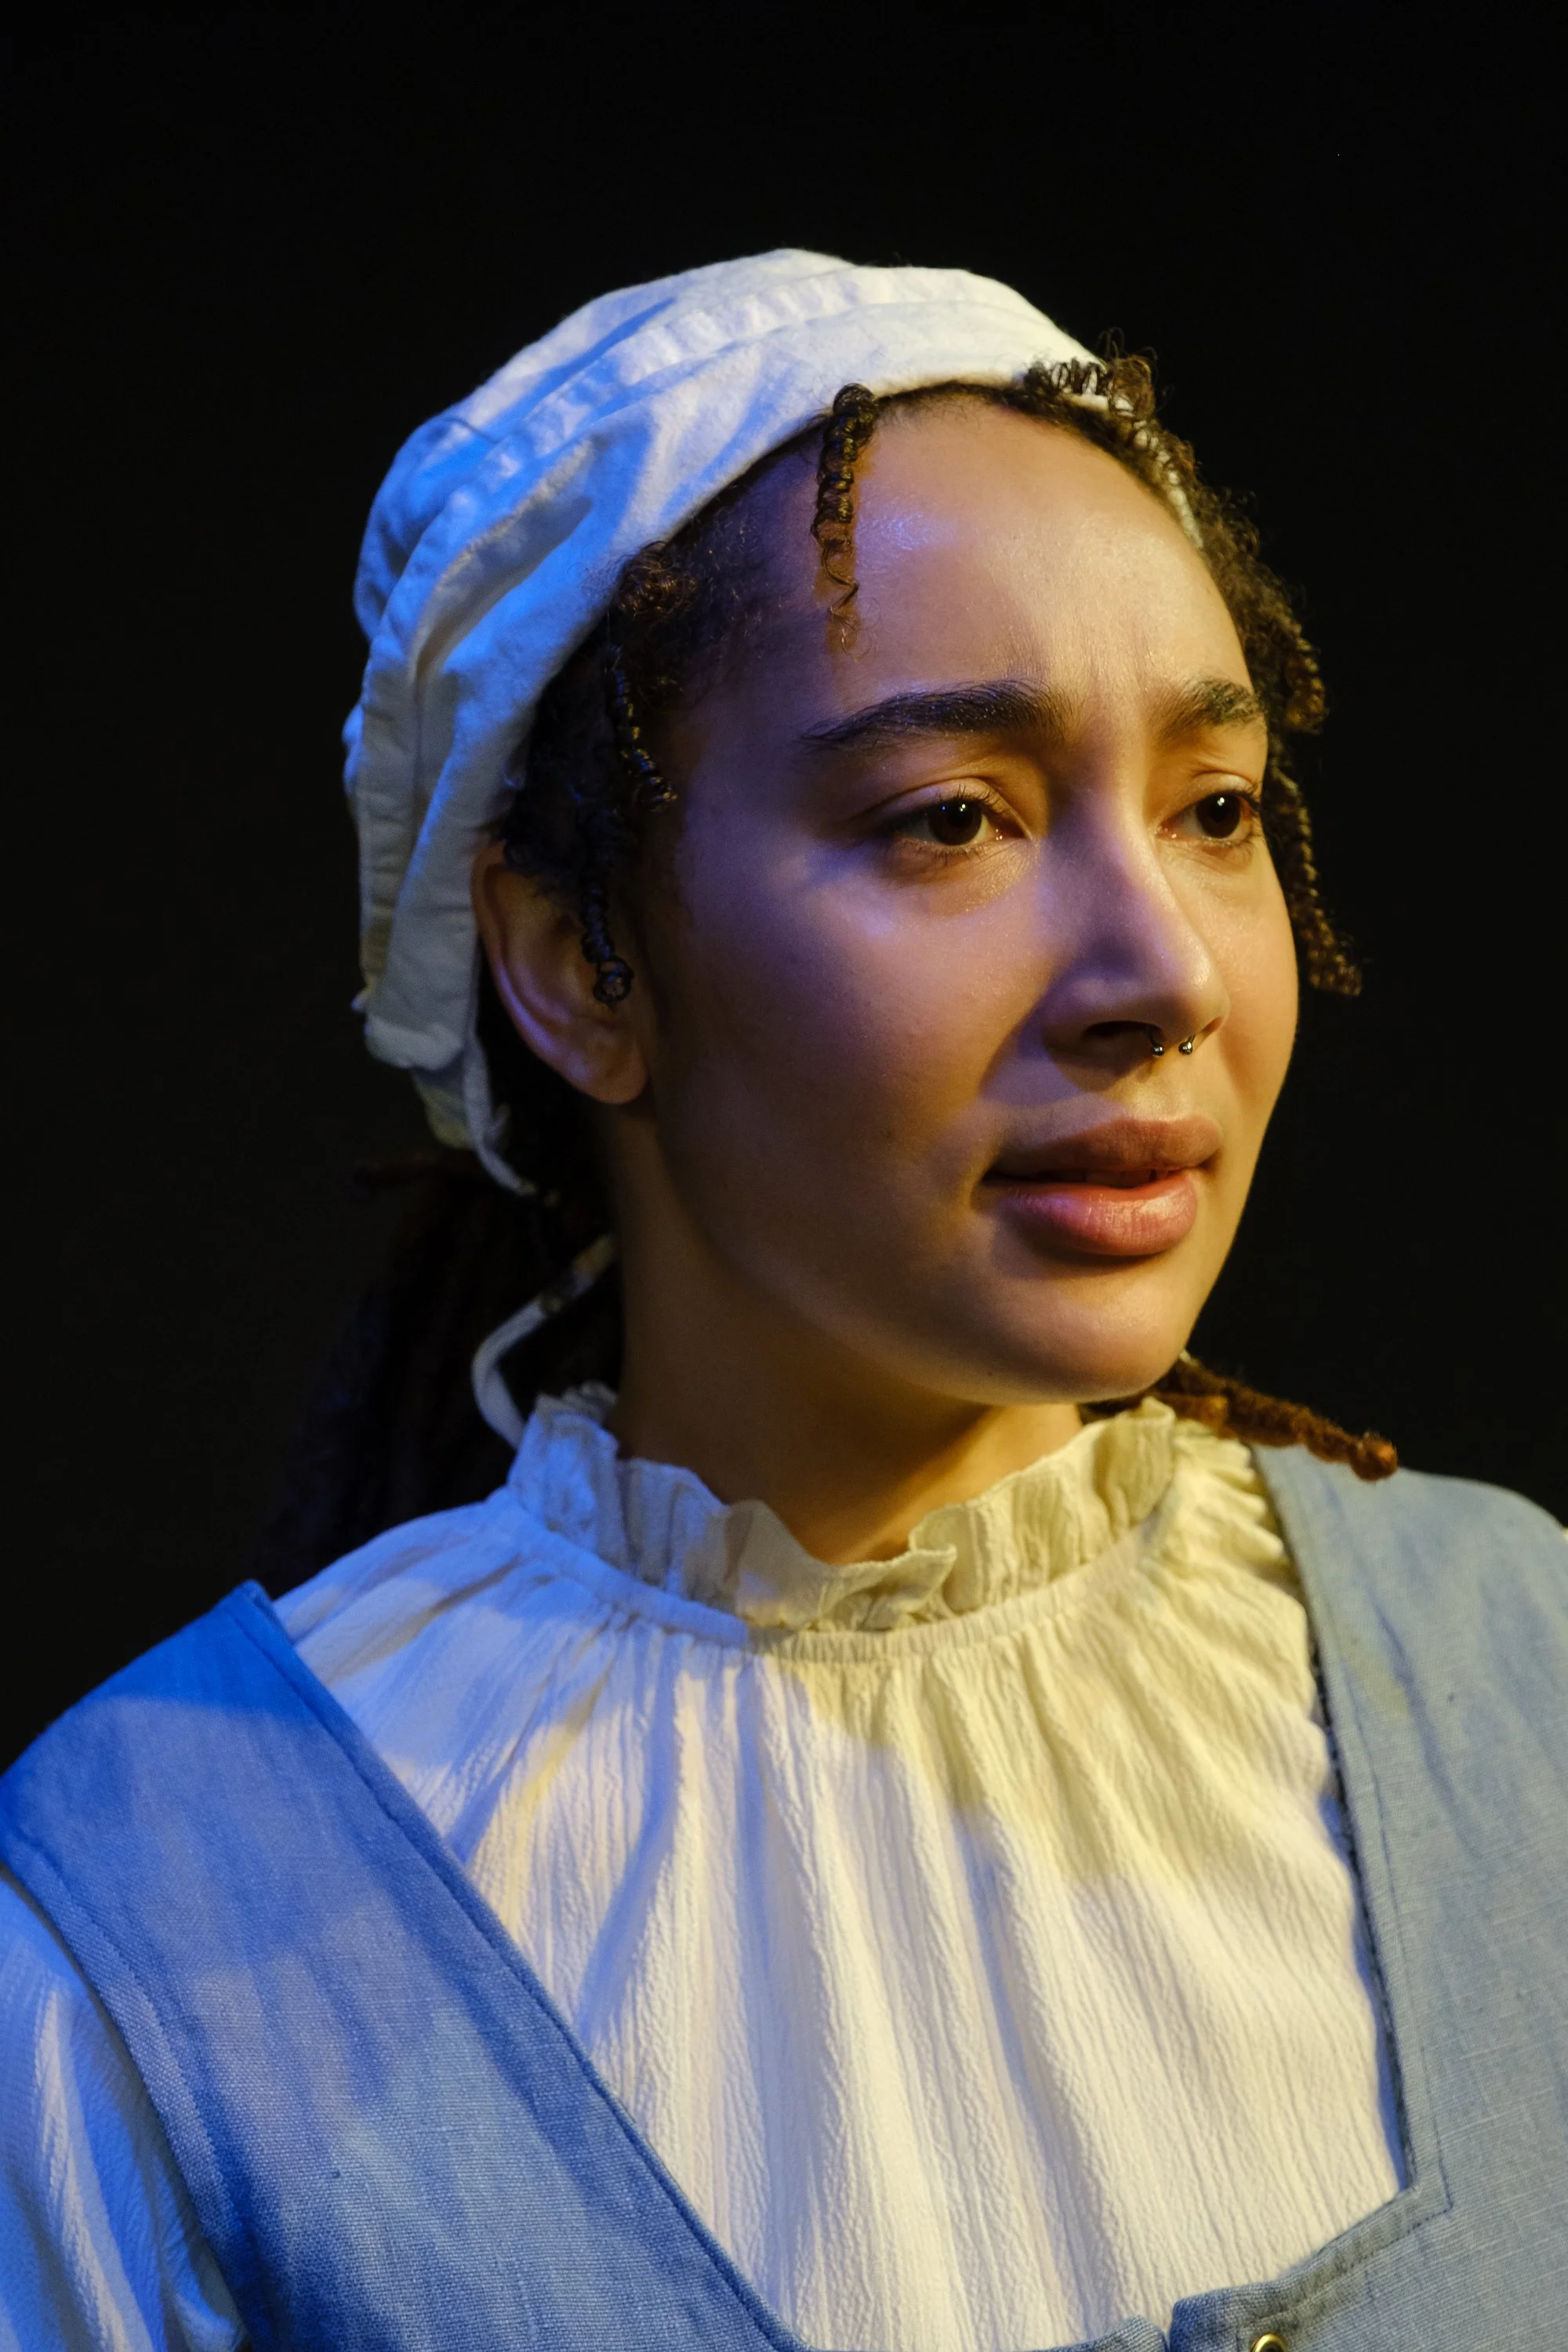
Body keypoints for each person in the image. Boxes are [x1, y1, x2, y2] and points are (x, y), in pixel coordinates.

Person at [1, 252, 1562, 2352]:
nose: (1165, 971)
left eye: (1214, 809)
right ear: (579, 968)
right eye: (953, 820)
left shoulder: (1523, 1681)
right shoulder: (145, 1946)